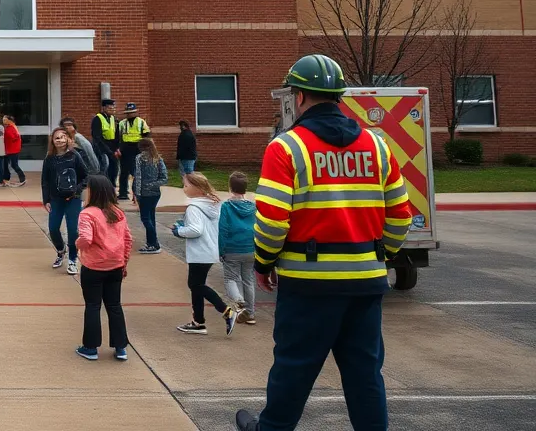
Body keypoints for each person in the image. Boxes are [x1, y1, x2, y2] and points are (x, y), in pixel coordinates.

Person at [235, 54, 414, 431]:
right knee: (365, 376)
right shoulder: (378, 146)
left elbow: (271, 222)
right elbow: (401, 216)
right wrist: (380, 256)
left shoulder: (286, 148)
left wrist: (264, 264)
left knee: (293, 371)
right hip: (366, 284)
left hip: (308, 285)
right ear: (338, 97)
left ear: (299, 96)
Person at [172, 172, 240, 337]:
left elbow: (196, 230)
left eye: (186, 186)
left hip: (199, 252)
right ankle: (198, 322)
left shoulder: (194, 207)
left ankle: (226, 311)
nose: (184, 189)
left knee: (196, 285)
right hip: (209, 250)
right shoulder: (212, 205)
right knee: (196, 286)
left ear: (197, 189)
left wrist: (179, 231)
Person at [75, 176, 132, 362]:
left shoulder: (88, 214)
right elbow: (127, 239)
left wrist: (77, 245)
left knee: (93, 305)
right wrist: (123, 261)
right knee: (114, 305)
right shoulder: (117, 212)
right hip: (115, 265)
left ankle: (90, 347)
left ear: (93, 192)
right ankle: (120, 346)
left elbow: (85, 239)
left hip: (94, 266)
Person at [41, 127, 88, 276]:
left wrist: (78, 190)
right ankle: (61, 251)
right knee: (53, 228)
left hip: (73, 199)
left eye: (62, 137)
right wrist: (46, 199)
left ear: (68, 139)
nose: (60, 140)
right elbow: (45, 181)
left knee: (73, 230)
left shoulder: (75, 156)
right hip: (56, 199)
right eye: (56, 138)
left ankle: (73, 259)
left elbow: (85, 176)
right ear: (52, 142)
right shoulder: (49, 159)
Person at [219, 171, 257, 326]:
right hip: (250, 248)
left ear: (230, 188)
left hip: (232, 247)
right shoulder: (253, 207)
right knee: (248, 280)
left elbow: (223, 230)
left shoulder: (227, 207)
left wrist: (221, 250)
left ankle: (239, 302)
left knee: (231, 278)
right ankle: (251, 313)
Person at [131, 138, 167, 255]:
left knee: (145, 218)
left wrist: (137, 193)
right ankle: (151, 242)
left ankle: (153, 243)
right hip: (155, 193)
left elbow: (138, 176)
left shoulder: (140, 158)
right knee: (151, 218)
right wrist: (153, 185)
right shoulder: (158, 159)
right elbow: (164, 178)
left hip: (144, 194)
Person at [117, 103, 150, 201]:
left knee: (135, 171)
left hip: (137, 147)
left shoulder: (141, 122)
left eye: (131, 113)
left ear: (135, 112)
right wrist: (118, 148)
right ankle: (123, 193)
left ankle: (137, 192)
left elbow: (146, 135)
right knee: (124, 171)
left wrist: (145, 148)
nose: (129, 114)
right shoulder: (122, 123)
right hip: (125, 147)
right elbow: (118, 137)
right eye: (128, 113)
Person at [90, 99, 118, 181]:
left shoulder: (113, 118)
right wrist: (107, 150)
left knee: (114, 168)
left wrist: (116, 148)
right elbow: (97, 137)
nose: (112, 110)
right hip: (101, 147)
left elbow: (116, 134)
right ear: (104, 108)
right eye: (110, 108)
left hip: (112, 146)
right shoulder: (97, 118)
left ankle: (112, 186)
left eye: (113, 108)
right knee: (104, 167)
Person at [1, 114, 26, 188]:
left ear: (9, 120)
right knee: (5, 164)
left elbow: (15, 137)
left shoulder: (11, 127)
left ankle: (22, 178)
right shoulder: (9, 127)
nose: (3, 121)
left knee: (14, 165)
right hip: (8, 149)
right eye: (3, 119)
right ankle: (6, 179)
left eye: (5, 119)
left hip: (13, 150)